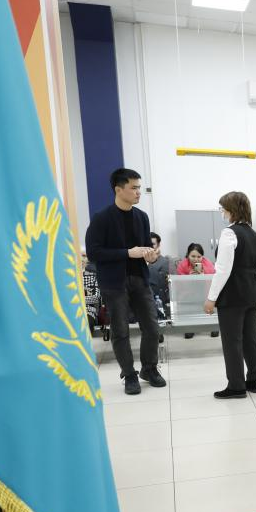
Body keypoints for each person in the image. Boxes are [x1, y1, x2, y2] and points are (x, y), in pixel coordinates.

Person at [84, 168, 165, 395]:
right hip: (114, 283)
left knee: (152, 327)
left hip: (140, 279)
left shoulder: (141, 217)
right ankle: (129, 374)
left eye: (139, 187)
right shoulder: (101, 218)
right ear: (118, 190)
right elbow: (94, 253)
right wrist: (127, 253)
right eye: (134, 188)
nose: (138, 192)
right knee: (120, 331)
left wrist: (150, 256)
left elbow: (143, 249)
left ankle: (149, 368)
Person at [202, 191, 256, 399]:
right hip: (252, 292)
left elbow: (223, 269)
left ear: (231, 210)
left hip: (233, 294)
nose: (222, 212)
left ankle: (236, 386)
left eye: (223, 208)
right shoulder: (254, 234)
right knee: (250, 338)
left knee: (232, 341)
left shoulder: (229, 233)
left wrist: (211, 298)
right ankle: (253, 380)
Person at [147, 232, 170, 308]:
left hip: (156, 301)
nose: (150, 247)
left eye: (153, 244)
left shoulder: (164, 262)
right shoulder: (139, 261)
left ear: (158, 245)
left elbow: (161, 286)